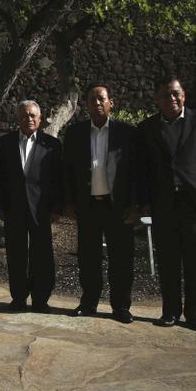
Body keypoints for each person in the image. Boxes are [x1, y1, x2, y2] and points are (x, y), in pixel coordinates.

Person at [138, 76, 196, 332]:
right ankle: (170, 312)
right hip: (164, 203)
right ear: (157, 99)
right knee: (168, 260)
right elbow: (143, 169)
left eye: (176, 93)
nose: (172, 99)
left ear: (184, 95)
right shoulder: (147, 128)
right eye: (166, 95)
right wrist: (144, 201)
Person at [63, 83, 138, 324]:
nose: (96, 103)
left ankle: (121, 307)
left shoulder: (126, 134)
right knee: (88, 258)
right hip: (88, 206)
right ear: (85, 104)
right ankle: (88, 302)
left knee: (121, 259)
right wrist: (69, 203)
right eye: (92, 99)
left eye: (101, 99)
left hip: (118, 207)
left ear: (111, 103)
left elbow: (138, 173)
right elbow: (67, 172)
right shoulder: (75, 133)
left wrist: (135, 205)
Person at [0, 100, 62, 313]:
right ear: (18, 119)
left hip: (41, 208)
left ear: (40, 119)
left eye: (33, 115)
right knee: (15, 254)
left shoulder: (52, 145)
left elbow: (59, 179)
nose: (29, 119)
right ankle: (18, 298)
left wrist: (56, 208)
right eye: (24, 115)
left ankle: (41, 299)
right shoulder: (4, 143)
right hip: (13, 207)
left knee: (42, 255)